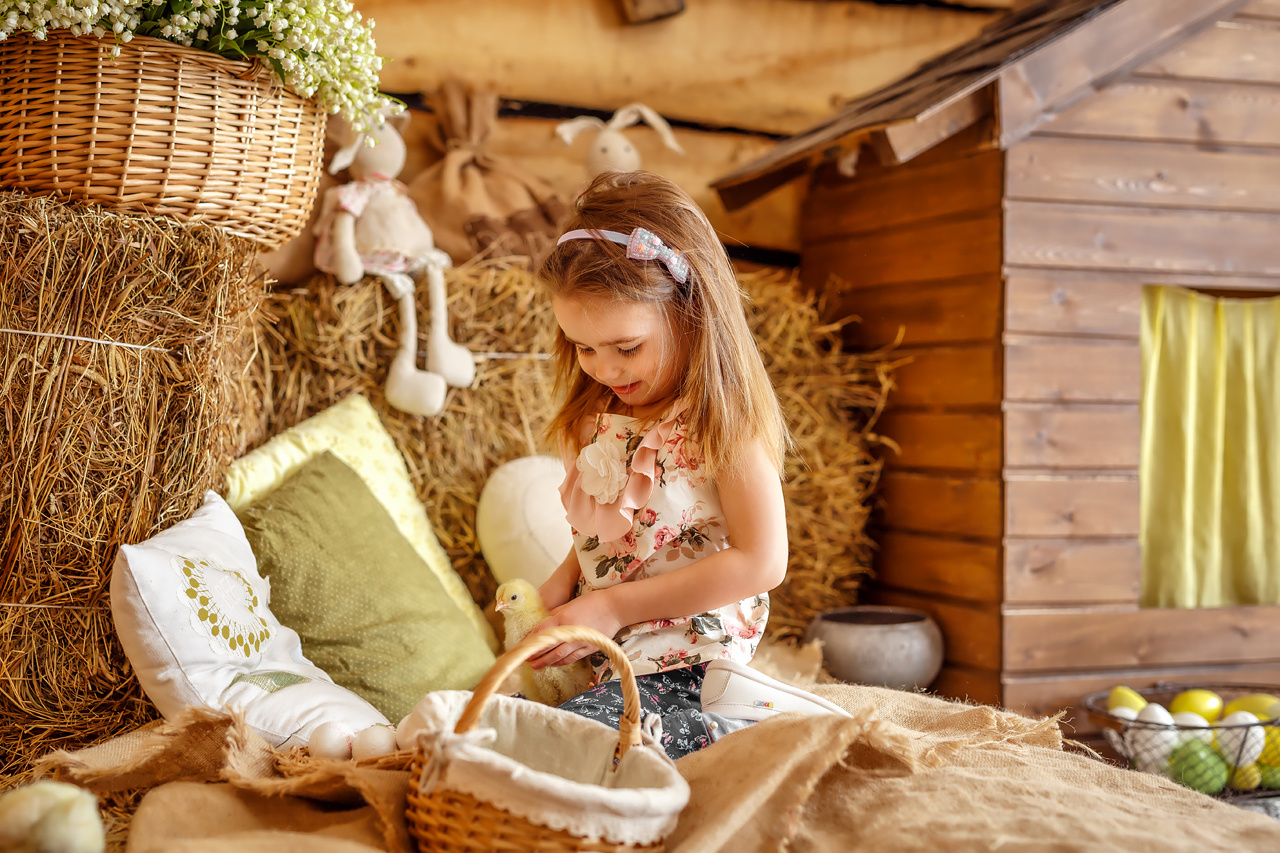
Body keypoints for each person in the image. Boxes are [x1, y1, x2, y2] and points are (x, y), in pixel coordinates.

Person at [525, 170, 822, 760]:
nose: (605, 369)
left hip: (688, 657)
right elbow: (628, 533)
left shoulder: (719, 424)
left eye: (626, 347)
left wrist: (610, 605)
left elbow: (764, 561)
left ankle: (739, 725)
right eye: (584, 348)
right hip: (614, 653)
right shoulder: (603, 413)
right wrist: (568, 577)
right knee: (511, 730)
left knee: (577, 745)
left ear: (690, 311)